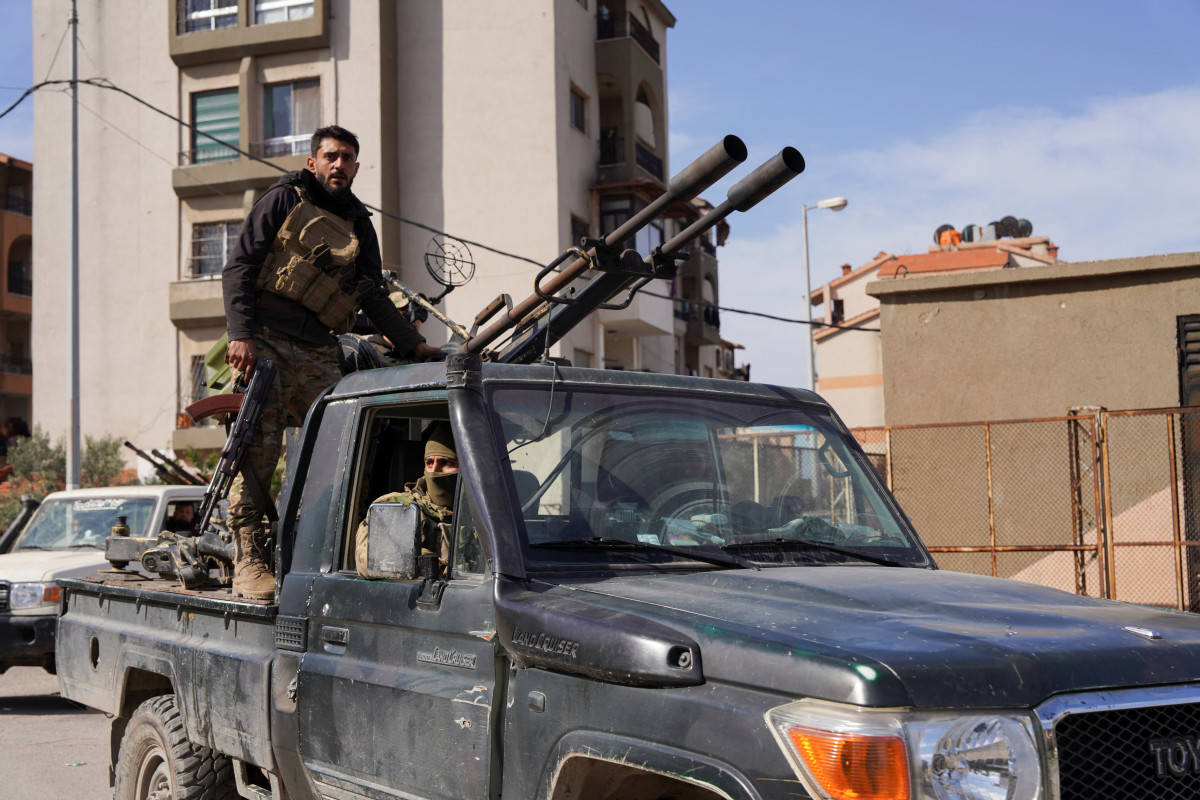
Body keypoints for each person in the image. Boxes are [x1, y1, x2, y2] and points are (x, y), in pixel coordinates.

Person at [223, 125, 442, 599]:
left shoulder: (358, 222)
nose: (339, 164)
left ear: (356, 167)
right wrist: (240, 334)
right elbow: (239, 266)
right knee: (257, 454)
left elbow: (372, 294)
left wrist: (413, 346)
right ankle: (249, 559)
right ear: (313, 162)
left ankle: (314, 545)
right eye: (331, 156)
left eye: (347, 158)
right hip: (266, 341)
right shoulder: (283, 199)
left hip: (319, 347)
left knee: (336, 448)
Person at [356, 422, 458, 579]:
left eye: (446, 463)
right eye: (429, 462)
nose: (434, 471)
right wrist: (439, 568)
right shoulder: (397, 505)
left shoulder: (486, 512)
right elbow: (369, 559)